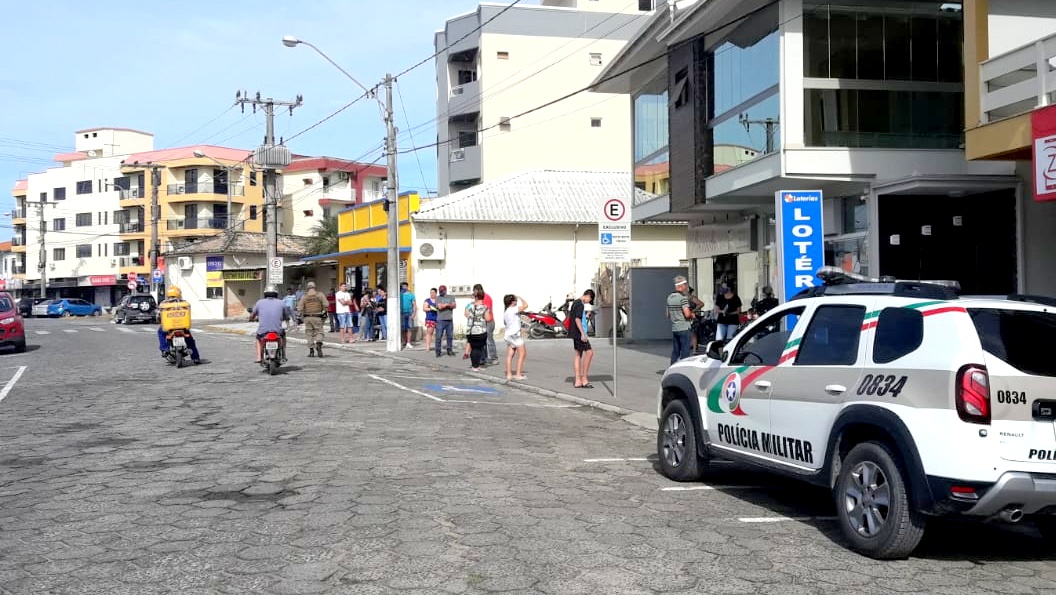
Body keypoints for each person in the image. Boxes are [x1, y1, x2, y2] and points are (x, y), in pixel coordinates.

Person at [157, 286, 200, 364]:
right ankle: (195, 357)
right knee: (190, 340)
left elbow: (159, 315)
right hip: (182, 326)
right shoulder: (183, 303)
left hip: (169, 327)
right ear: (179, 294)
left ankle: (165, 349)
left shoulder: (164, 303)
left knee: (161, 332)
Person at [249, 286, 293, 363]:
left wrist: (251, 319)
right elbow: (287, 316)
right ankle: (284, 354)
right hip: (277, 330)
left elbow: (252, 315)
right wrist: (288, 324)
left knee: (258, 339)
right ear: (276, 294)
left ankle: (259, 357)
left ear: (265, 293)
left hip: (263, 331)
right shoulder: (281, 302)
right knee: (283, 337)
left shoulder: (259, 302)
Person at [666, 276, 695, 364]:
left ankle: (672, 367)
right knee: (685, 351)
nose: (686, 286)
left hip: (675, 328)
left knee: (676, 351)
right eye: (685, 284)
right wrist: (692, 314)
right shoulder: (683, 298)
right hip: (684, 328)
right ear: (681, 285)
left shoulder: (669, 297)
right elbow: (687, 314)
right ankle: (683, 369)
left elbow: (667, 315)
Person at [297, 281, 329, 358]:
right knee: (319, 332)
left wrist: (299, 317)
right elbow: (326, 304)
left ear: (307, 288)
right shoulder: (320, 295)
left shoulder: (304, 296)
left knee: (309, 333)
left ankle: (311, 351)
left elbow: (299, 308)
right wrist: (323, 309)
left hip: (307, 317)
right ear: (315, 287)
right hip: (317, 316)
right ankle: (318, 344)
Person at [570, 289, 595, 389]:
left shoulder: (575, 303)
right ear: (588, 296)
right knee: (589, 352)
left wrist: (586, 316)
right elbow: (577, 319)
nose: (588, 302)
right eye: (590, 300)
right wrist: (583, 333)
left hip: (575, 333)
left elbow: (578, 317)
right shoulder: (580, 304)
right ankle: (584, 379)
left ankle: (577, 380)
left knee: (578, 354)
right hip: (580, 334)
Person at [464, 287, 492, 371]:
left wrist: (472, 318)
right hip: (480, 330)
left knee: (473, 347)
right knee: (478, 348)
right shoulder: (484, 307)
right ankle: (475, 366)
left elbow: (466, 314)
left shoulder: (469, 305)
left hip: (470, 330)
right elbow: (488, 319)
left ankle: (475, 365)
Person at [503, 294, 528, 381]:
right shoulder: (513, 309)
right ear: (512, 302)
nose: (516, 302)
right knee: (522, 354)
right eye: (515, 300)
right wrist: (520, 297)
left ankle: (509, 374)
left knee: (510, 355)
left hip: (508, 335)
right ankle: (518, 374)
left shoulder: (506, 312)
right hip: (515, 335)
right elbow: (525, 305)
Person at [474, 284, 499, 364]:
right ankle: (483, 358)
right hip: (482, 322)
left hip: (489, 322)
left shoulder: (486, 297)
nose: (474, 293)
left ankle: (494, 358)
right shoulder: (478, 299)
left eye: (474, 291)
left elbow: (486, 310)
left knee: (489, 340)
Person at [434, 285, 456, 357]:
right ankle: (438, 351)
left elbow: (454, 305)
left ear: (445, 290)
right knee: (438, 336)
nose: (441, 292)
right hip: (440, 320)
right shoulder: (438, 298)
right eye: (440, 291)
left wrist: (445, 305)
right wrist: (448, 305)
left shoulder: (451, 297)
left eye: (442, 291)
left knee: (450, 336)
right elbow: (439, 307)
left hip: (449, 320)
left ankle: (449, 350)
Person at [400, 281, 417, 349]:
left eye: (405, 286)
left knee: (409, 328)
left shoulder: (411, 295)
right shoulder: (399, 295)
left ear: (407, 287)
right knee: (402, 328)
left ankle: (408, 342)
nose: (404, 288)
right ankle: (403, 341)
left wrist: (414, 313)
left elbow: (414, 305)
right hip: (401, 314)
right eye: (402, 287)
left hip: (409, 313)